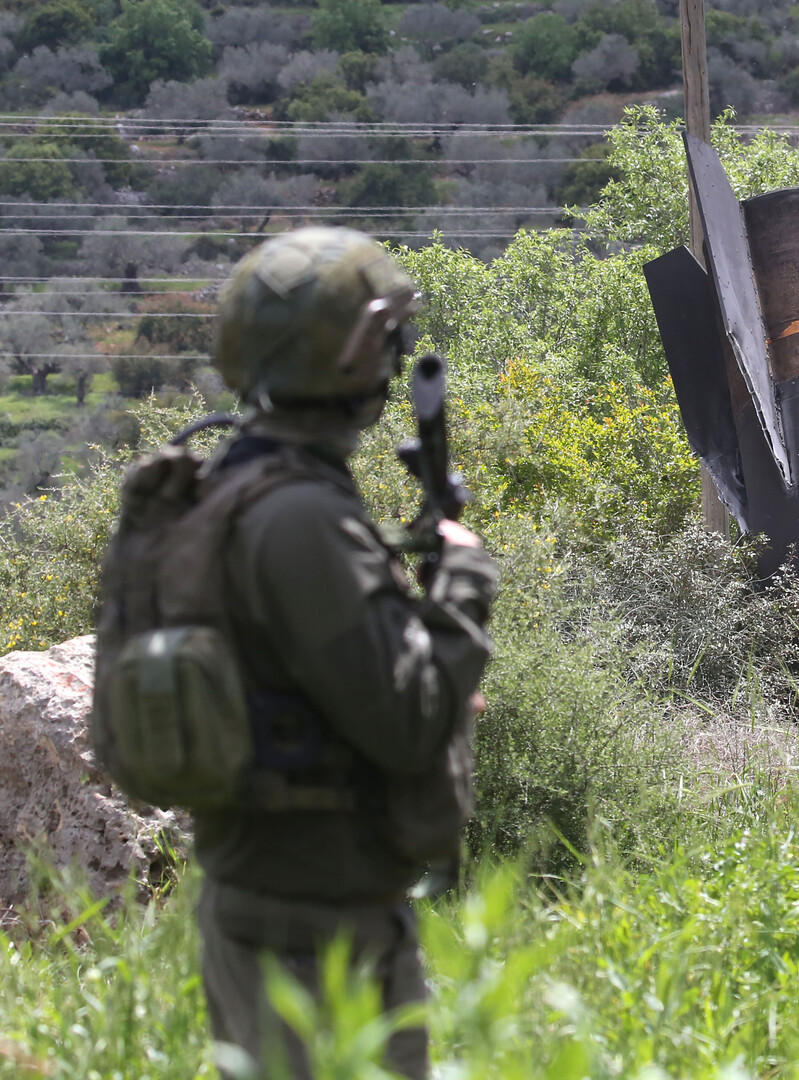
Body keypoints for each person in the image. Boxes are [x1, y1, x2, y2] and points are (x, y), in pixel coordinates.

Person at [195, 228, 497, 1078]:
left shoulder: (235, 483)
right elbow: (403, 725)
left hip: (263, 895)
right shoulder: (302, 522)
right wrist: (465, 581)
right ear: (358, 361)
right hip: (317, 924)